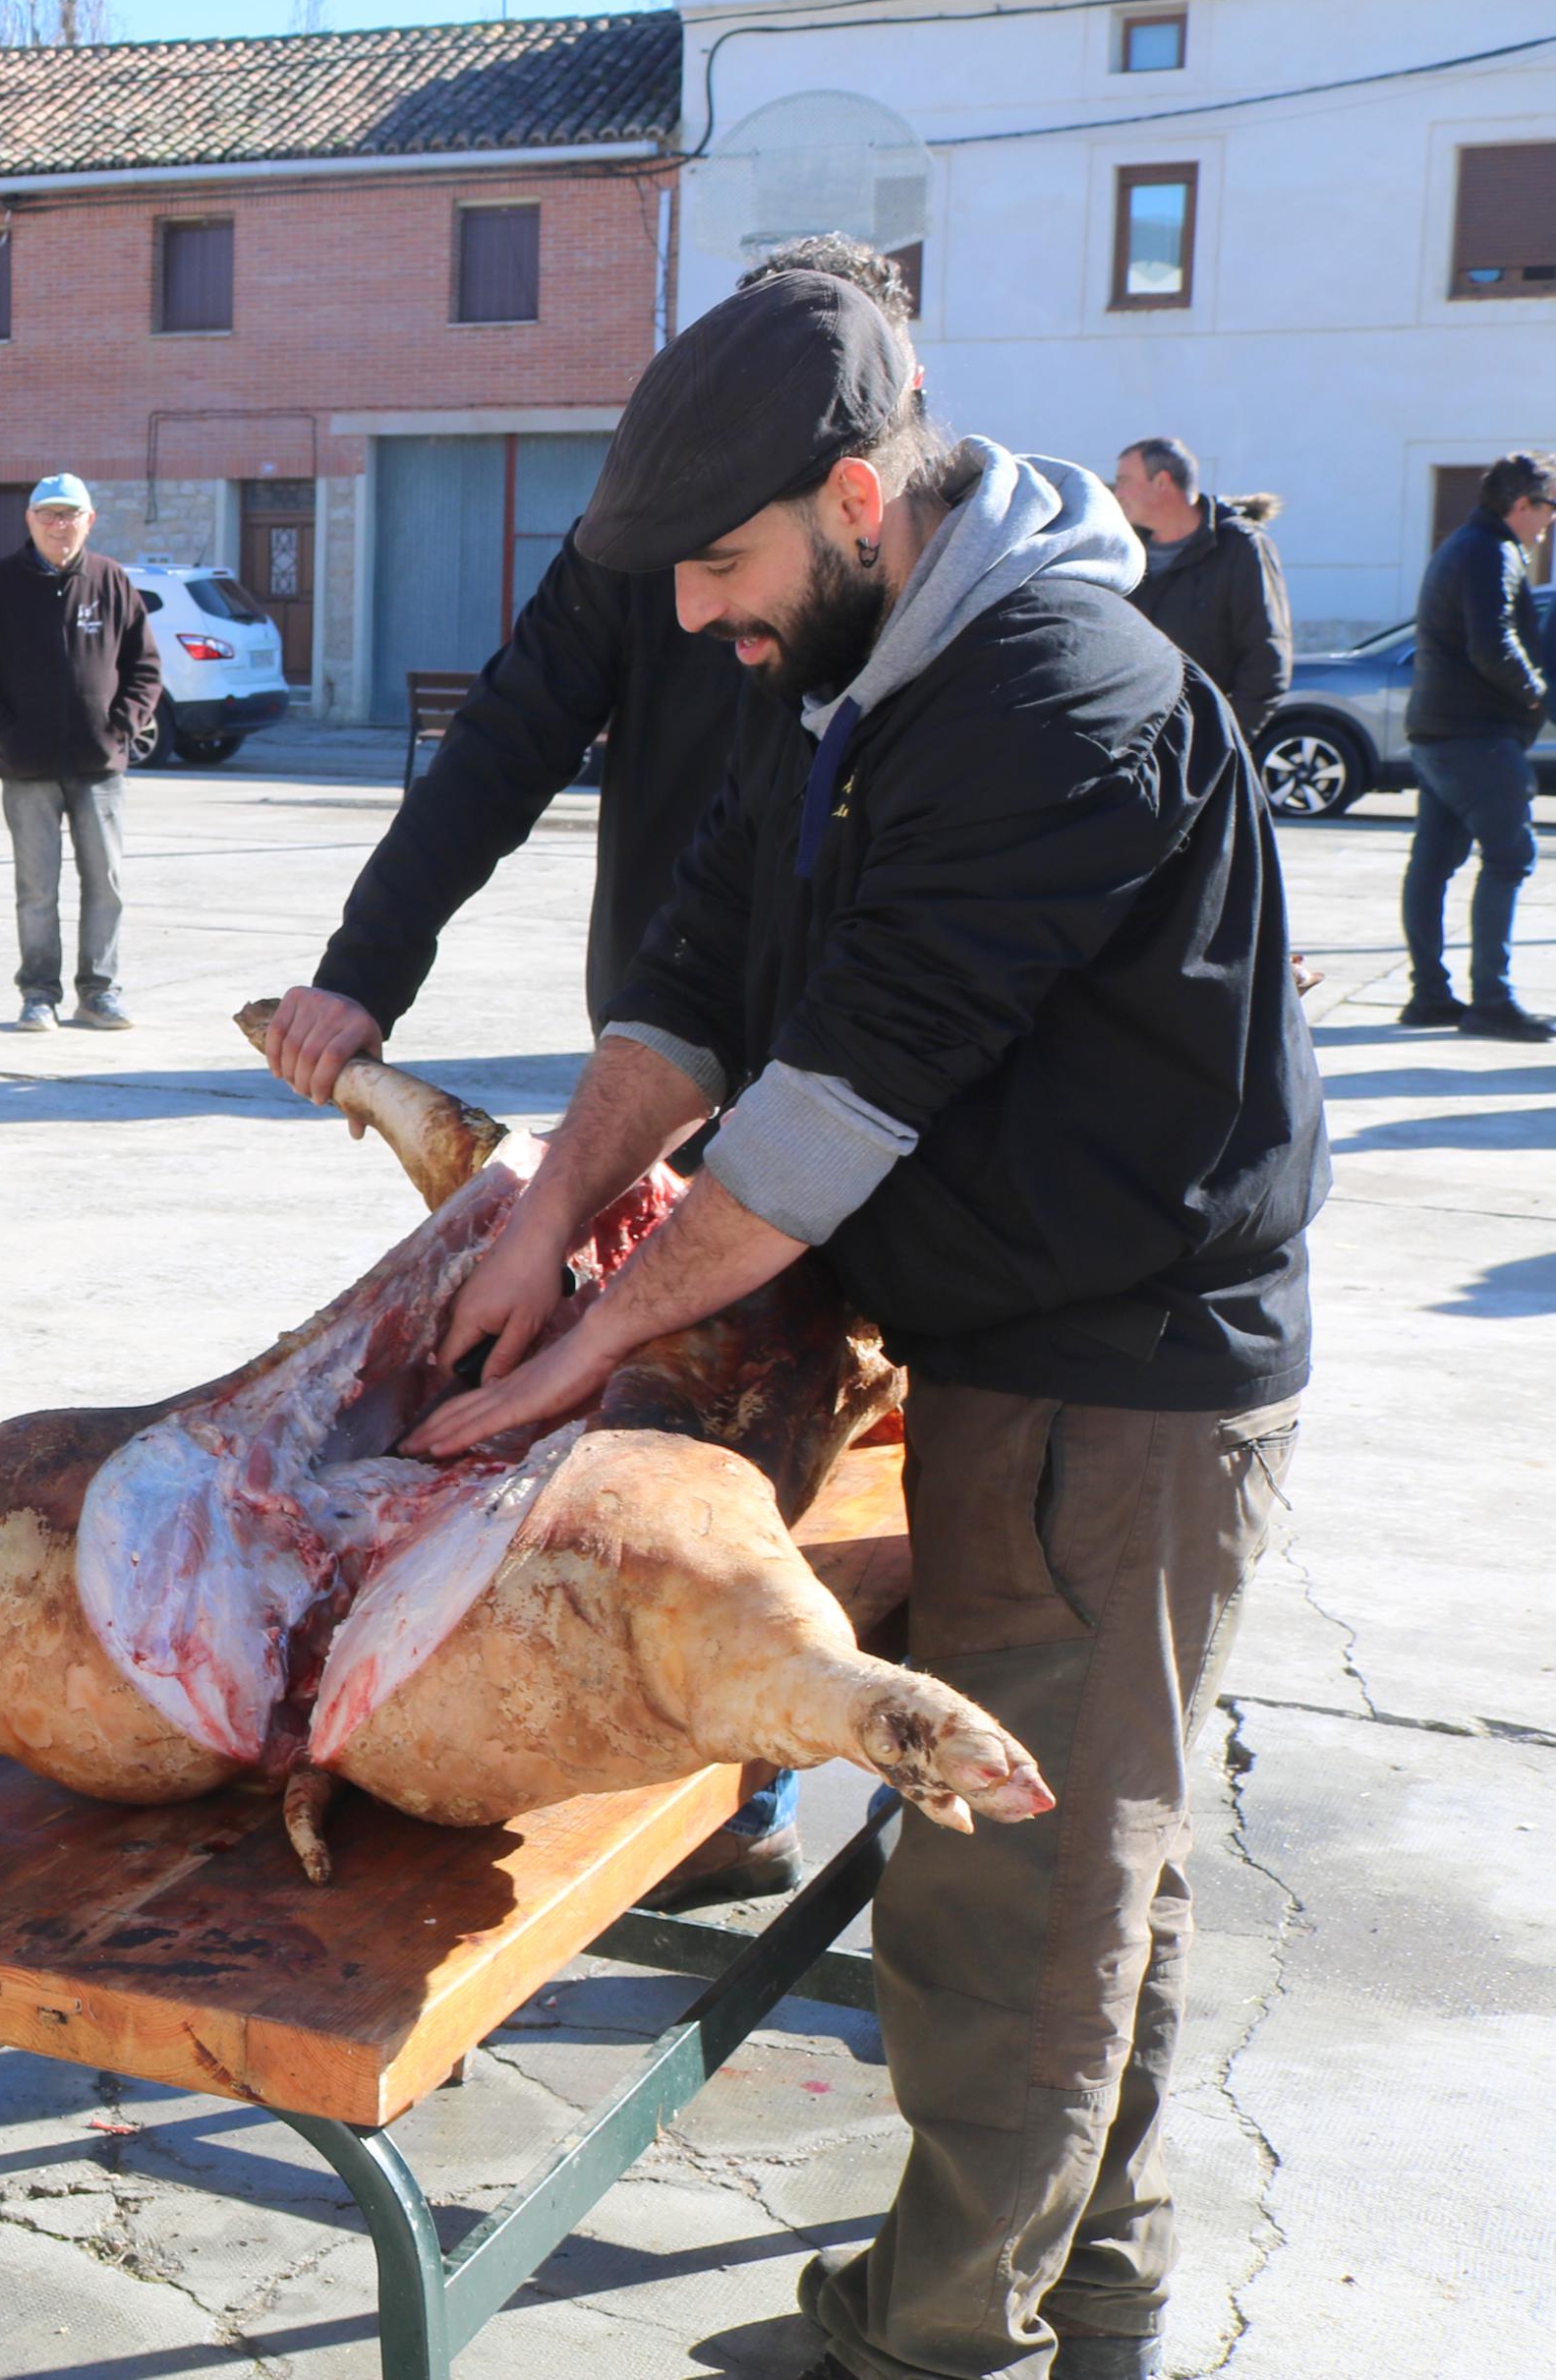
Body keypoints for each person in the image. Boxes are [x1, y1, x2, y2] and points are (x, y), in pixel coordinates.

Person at [398, 272, 1322, 2380]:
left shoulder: (1049, 694)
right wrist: (540, 1217)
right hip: (1017, 1347)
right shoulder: (854, 677)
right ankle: (1093, 2289)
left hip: (1118, 1384)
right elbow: (700, 976)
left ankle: (934, 2347)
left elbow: (818, 1111)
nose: (702, 625)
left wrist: (563, 1360)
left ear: (846, 499)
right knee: (1093, 1854)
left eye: (720, 575)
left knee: (1013, 1893)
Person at [260, 231, 920, 1907]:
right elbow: (505, 735)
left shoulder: (919, 557)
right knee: (675, 1402)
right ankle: (721, 1771)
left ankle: (855, 1745)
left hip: (888, 1040)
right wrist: (361, 972)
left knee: (865, 1407)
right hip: (673, 1036)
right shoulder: (642, 536)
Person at [0, 470, 157, 1031]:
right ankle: (38, 993)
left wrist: (119, 730)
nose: (59, 526)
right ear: (30, 521)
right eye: (49, 514)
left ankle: (100, 992)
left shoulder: (112, 583)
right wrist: (7, 736)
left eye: (70, 515)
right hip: (27, 767)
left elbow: (145, 669)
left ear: (89, 521)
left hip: (100, 766)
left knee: (106, 885)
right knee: (37, 890)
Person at [1396, 452, 1555, 1040]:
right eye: (1549, 508)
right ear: (1522, 505)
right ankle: (1492, 1000)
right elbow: (1493, 645)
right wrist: (1537, 695)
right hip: (1476, 737)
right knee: (1510, 859)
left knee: (1432, 864)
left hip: (1439, 732)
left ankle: (1429, 997)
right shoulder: (1491, 552)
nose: (1549, 523)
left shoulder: (1463, 544)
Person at [1109, 435, 1291, 739]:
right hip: (1134, 747)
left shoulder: (1240, 547)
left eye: (1124, 481)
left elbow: (1266, 661)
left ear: (1162, 482)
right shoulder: (1126, 550)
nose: (1117, 493)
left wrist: (1220, 744)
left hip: (1202, 750)